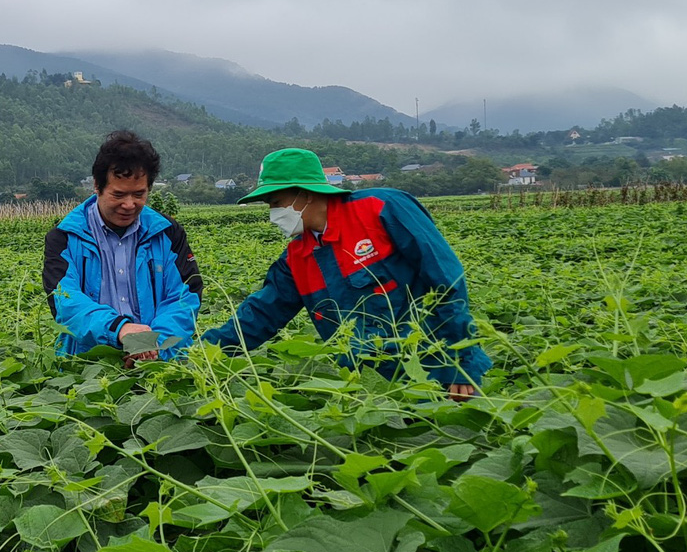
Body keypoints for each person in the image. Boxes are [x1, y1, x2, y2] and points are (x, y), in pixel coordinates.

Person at [201, 147, 490, 394]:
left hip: (435, 371)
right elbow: (259, 315)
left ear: (305, 194)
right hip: (367, 387)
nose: (273, 214)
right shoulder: (297, 258)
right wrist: (200, 353)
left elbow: (445, 278)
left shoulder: (380, 208)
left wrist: (460, 358)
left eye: (276, 203)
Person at [43, 130, 203, 362]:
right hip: (87, 367)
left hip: (159, 364)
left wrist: (152, 346)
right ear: (97, 186)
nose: (129, 205)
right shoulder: (65, 237)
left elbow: (185, 296)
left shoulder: (168, 233)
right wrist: (118, 329)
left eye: (139, 194)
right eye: (118, 194)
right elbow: (65, 302)